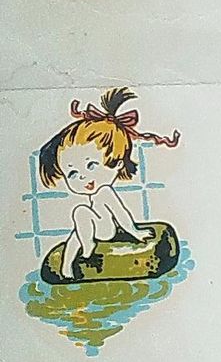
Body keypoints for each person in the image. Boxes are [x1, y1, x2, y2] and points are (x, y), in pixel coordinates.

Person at [38, 87, 180, 279]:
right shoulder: (98, 193)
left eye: (91, 165)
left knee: (80, 212)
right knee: (75, 234)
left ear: (117, 163)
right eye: (72, 173)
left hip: (105, 230)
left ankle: (87, 247)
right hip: (93, 226)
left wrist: (135, 232)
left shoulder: (104, 191)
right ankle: (66, 267)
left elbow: (120, 213)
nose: (82, 178)